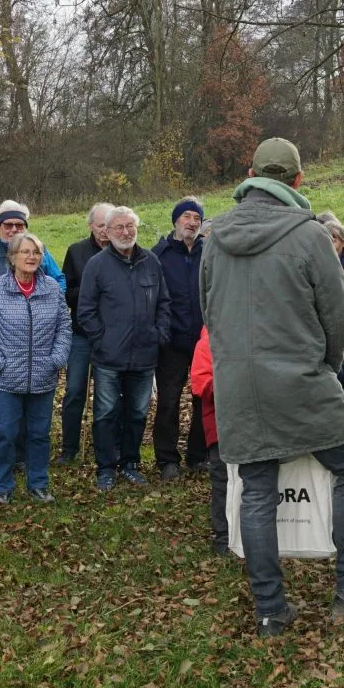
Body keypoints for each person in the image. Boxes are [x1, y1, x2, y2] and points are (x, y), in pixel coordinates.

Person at [200, 137, 344, 637]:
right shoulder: (309, 234)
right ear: (298, 180)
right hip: (300, 377)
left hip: (238, 382)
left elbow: (208, 312)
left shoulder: (216, 237)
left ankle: (270, 609)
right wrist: (323, 365)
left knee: (256, 486)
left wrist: (235, 364)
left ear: (250, 175)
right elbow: (337, 316)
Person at [0, 231, 72, 503]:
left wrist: (56, 359)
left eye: (37, 252)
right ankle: (3, 486)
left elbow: (64, 327)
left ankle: (38, 484)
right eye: (25, 252)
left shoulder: (52, 288)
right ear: (13, 257)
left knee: (39, 434)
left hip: (43, 377)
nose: (31, 257)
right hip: (6, 379)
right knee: (4, 434)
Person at [79, 206, 171, 490]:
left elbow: (164, 302)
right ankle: (106, 467)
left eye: (130, 226)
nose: (125, 232)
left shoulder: (151, 261)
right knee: (105, 414)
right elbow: (85, 310)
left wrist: (159, 334)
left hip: (144, 356)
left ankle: (130, 463)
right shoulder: (97, 265)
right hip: (109, 357)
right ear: (107, 231)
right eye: (118, 227)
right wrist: (102, 340)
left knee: (137, 413)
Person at [152, 197, 209, 480]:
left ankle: (198, 455)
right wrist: (161, 333)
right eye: (187, 216)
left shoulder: (209, 253)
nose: (192, 222)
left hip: (203, 341)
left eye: (197, 218)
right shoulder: (158, 255)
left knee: (203, 399)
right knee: (169, 400)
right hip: (171, 341)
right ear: (176, 221)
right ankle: (166, 459)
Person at [59, 203, 114, 466]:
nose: (104, 231)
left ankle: (108, 447)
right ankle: (69, 448)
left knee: (108, 395)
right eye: (100, 225)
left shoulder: (122, 252)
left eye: (108, 225)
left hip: (112, 336)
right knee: (74, 391)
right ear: (90, 225)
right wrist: (91, 290)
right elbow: (66, 293)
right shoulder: (76, 252)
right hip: (81, 335)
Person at [0, 200, 65, 309]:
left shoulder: (38, 250)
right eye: (8, 225)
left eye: (19, 225)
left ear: (25, 228)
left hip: (37, 315)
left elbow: (59, 279)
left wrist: (51, 307)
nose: (14, 229)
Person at [190, 330, 230, 555]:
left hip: (254, 426)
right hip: (220, 427)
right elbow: (200, 383)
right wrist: (233, 384)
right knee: (222, 481)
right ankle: (223, 536)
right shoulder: (207, 342)